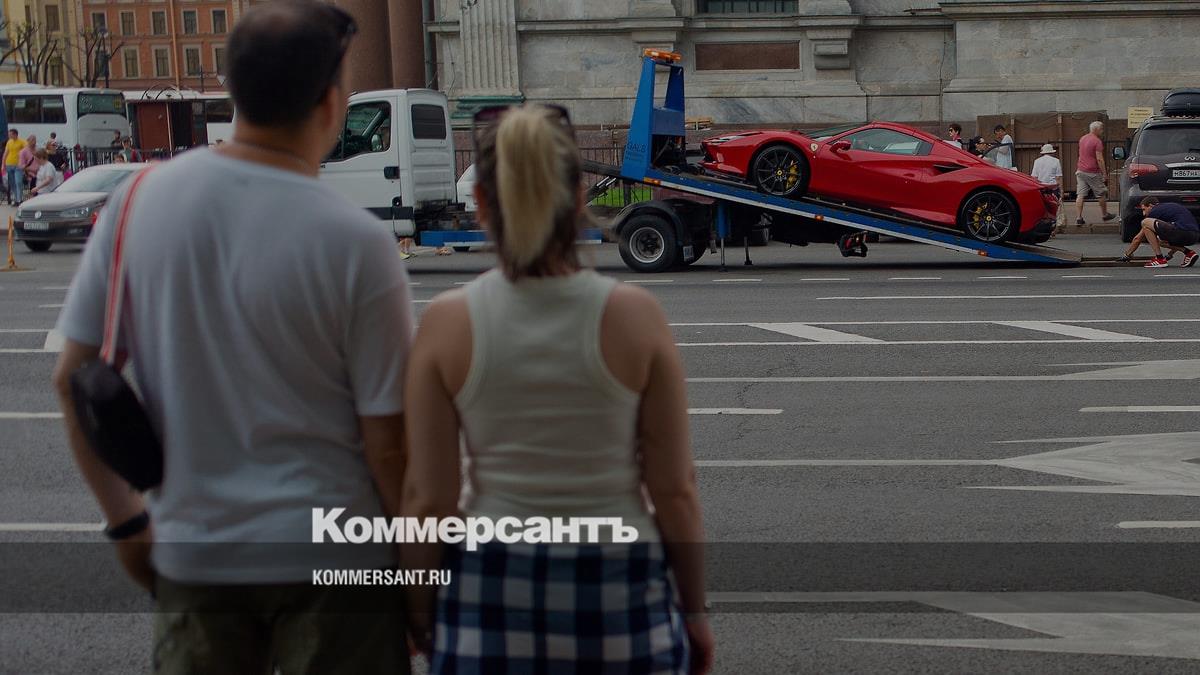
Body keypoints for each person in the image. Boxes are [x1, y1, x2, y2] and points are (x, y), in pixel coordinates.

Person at [51, 2, 415, 672]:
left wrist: (128, 524)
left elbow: (73, 377)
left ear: (232, 91)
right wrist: (417, 580)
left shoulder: (136, 204)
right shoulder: (358, 242)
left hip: (197, 557)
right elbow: (388, 443)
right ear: (331, 103)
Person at [402, 105, 714, 674]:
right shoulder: (634, 316)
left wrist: (418, 608)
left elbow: (429, 498)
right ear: (578, 196)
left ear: (481, 203)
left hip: (490, 589)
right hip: (618, 589)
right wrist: (693, 612)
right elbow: (674, 490)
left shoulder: (448, 323)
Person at [1119, 197, 1199, 268]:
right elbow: (1179, 235)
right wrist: (1170, 254)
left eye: (1144, 209)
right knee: (1161, 241)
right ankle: (1189, 253)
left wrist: (1127, 254)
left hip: (1183, 232)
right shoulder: (1168, 209)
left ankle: (1159, 259)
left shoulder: (1155, 211)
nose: (1144, 213)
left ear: (1151, 205)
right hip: (1194, 236)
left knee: (1145, 222)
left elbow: (1138, 238)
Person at [1075, 120, 1116, 226]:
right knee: (1100, 193)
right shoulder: (1097, 141)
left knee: (1080, 195)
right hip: (1092, 171)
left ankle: (1079, 217)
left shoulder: (1082, 139)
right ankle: (1105, 215)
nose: (1102, 131)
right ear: (1096, 129)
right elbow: (1100, 159)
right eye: (1101, 129)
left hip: (1080, 170)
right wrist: (1104, 173)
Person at [1031, 143, 1065, 234]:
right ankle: (1053, 228)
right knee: (1054, 209)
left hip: (1041, 187)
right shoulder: (1056, 161)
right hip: (1053, 187)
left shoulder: (1037, 161)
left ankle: (1042, 227)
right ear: (1052, 152)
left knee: (1043, 208)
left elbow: (1034, 177)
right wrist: (1061, 190)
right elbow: (1058, 177)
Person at [4, 129, 26, 205]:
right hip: (9, 164)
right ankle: (16, 199)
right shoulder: (9, 142)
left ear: (15, 134)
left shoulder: (22, 142)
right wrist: (3, 164)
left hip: (18, 165)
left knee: (18, 182)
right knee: (12, 183)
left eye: (10, 134)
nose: (9, 136)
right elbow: (6, 153)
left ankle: (20, 199)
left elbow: (27, 151)